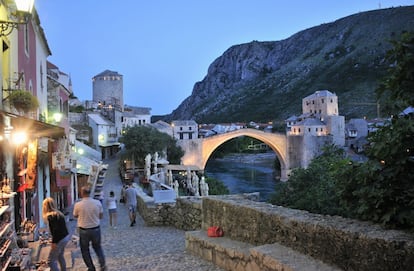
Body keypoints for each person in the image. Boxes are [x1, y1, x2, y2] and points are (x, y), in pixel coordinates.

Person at [73, 186, 106, 271]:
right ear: (90, 193)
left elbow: (75, 215)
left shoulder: (78, 204)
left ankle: (91, 267)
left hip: (84, 230)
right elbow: (101, 216)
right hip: (95, 229)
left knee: (85, 250)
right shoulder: (97, 203)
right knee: (98, 248)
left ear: (82, 193)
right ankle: (102, 265)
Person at [42, 197, 71, 271]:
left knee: (51, 261)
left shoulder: (51, 216)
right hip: (65, 237)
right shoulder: (58, 213)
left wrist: (54, 242)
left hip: (59, 239)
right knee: (60, 256)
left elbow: (55, 230)